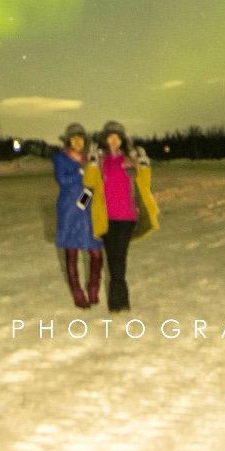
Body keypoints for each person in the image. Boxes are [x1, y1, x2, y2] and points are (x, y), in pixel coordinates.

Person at [83, 119, 160, 312]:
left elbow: (144, 182)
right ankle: (119, 303)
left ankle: (120, 303)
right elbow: (90, 182)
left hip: (127, 216)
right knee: (113, 260)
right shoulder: (102, 161)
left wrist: (143, 165)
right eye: (110, 137)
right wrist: (92, 163)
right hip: (107, 217)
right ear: (105, 140)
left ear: (122, 140)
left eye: (117, 138)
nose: (114, 141)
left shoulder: (129, 160)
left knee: (120, 259)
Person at [50, 121, 103, 308]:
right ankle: (77, 292)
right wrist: (82, 170)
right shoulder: (61, 160)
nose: (78, 143)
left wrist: (97, 165)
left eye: (81, 139)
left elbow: (100, 180)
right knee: (71, 253)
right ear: (68, 142)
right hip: (69, 210)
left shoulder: (90, 158)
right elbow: (63, 180)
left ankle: (93, 287)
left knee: (96, 253)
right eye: (74, 140)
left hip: (88, 209)